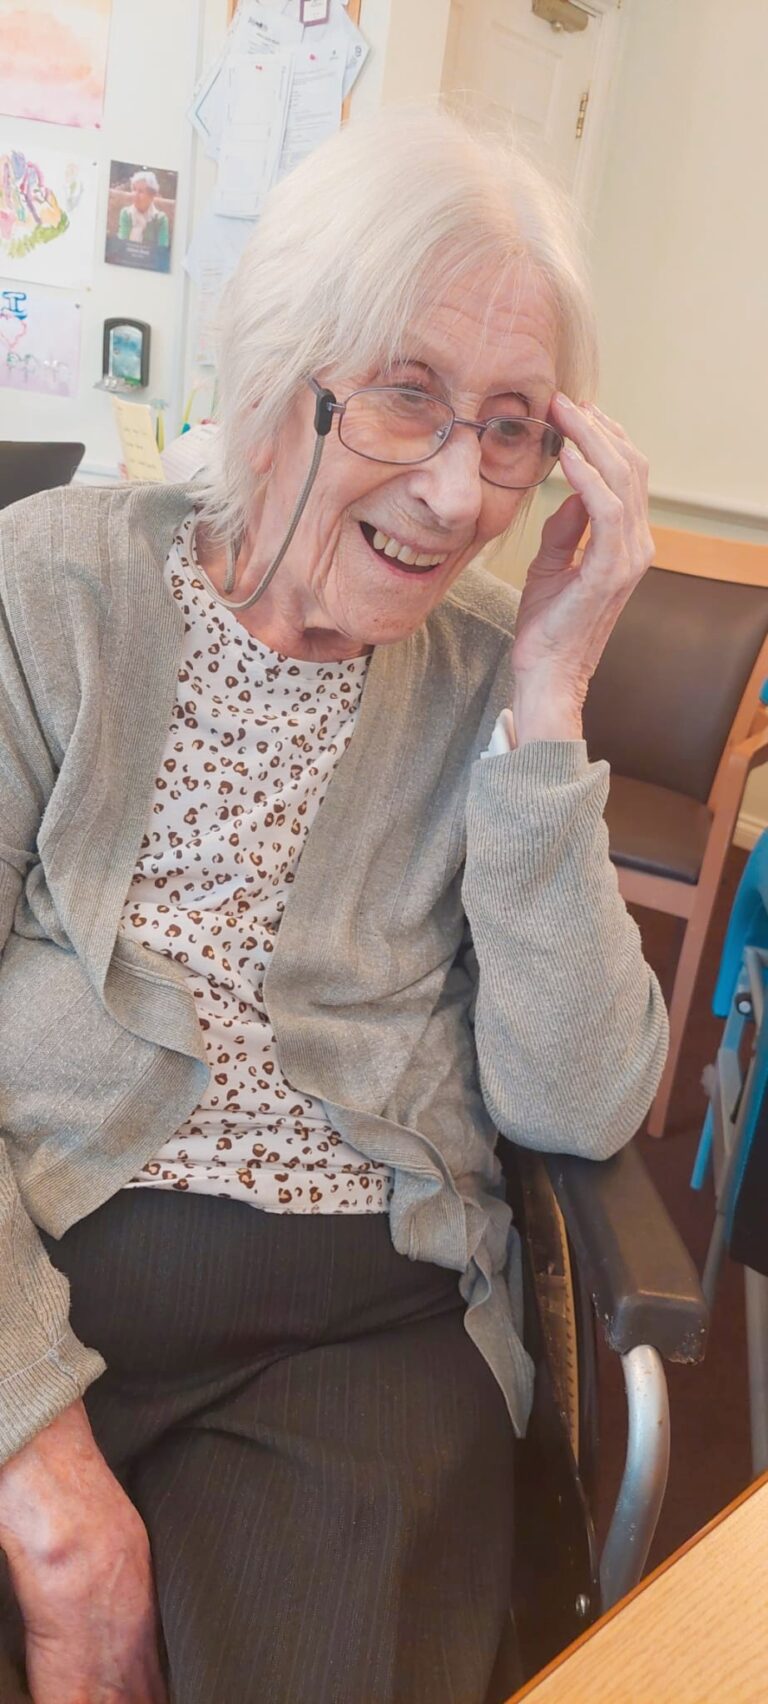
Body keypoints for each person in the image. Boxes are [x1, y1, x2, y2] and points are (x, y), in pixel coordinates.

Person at [0, 106, 667, 1704]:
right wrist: (44, 1469)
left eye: (511, 427)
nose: (455, 491)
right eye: (405, 393)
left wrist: (548, 701)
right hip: (37, 1249)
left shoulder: (485, 676)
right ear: (272, 369)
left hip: (356, 1325)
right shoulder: (50, 588)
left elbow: (579, 1102)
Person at [117, 169, 170, 255]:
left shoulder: (160, 219)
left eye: (141, 191)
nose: (135, 195)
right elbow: (121, 245)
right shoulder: (126, 214)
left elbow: (162, 250)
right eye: (134, 189)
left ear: (151, 196)